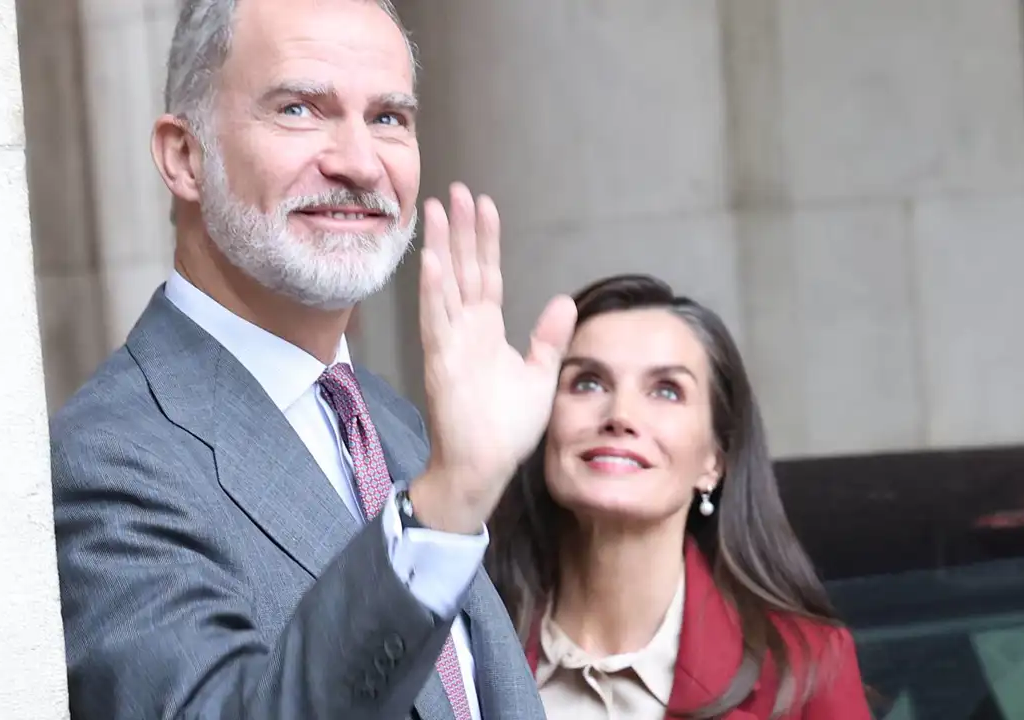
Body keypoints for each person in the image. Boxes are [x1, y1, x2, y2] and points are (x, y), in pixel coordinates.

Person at [49, 0, 576, 717]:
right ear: (184, 156)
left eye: (388, 117)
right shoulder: (107, 460)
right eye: (300, 109)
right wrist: (446, 505)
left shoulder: (391, 423)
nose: (359, 163)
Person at [484, 274, 873, 719]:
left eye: (666, 390)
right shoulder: (459, 644)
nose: (620, 415)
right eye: (588, 383)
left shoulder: (804, 667)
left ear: (714, 459)